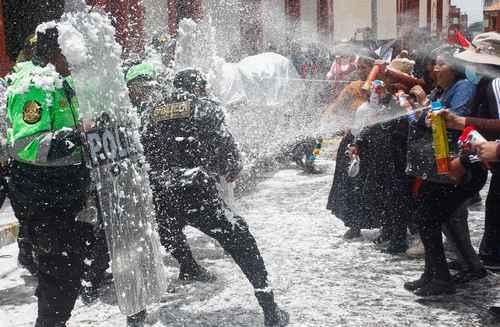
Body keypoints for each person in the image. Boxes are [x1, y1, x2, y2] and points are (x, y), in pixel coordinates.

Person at [126, 65, 289, 327]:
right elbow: (225, 148)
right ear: (198, 87)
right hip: (195, 193)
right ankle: (270, 308)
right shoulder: (204, 107)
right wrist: (230, 165)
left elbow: (139, 148)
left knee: (150, 244)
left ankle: (136, 315)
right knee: (241, 239)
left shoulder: (149, 111)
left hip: (159, 194)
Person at [5, 26, 91, 327]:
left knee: (66, 274)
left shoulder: (60, 81)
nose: (77, 58)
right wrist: (79, 140)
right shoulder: (34, 84)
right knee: (61, 277)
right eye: (71, 51)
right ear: (55, 51)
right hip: (44, 199)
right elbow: (27, 144)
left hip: (65, 197)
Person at [407, 45, 487, 283]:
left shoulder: (462, 88)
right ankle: (434, 273)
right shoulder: (443, 89)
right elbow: (423, 119)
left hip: (453, 164)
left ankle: (468, 267)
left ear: (455, 68)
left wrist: (423, 100)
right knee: (438, 219)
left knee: (449, 219)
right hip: (436, 164)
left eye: (441, 64)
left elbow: (451, 119)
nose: (435, 69)